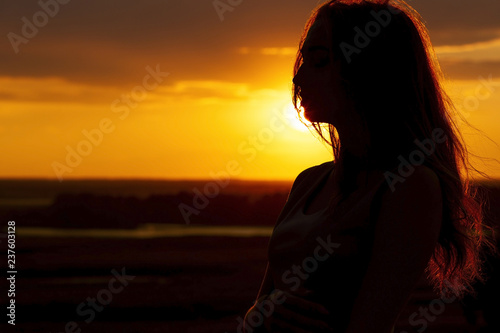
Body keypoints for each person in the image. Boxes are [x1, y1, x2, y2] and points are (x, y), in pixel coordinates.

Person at [242, 0, 497, 332]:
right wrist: (256, 316)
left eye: (319, 60)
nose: (299, 76)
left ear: (370, 70)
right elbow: (260, 306)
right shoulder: (308, 181)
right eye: (303, 59)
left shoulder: (410, 186)